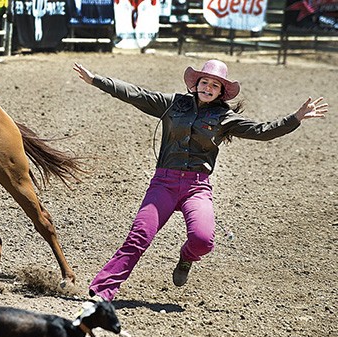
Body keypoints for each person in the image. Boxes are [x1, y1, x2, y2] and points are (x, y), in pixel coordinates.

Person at [73, 59, 328, 302]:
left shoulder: (225, 119)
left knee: (203, 241)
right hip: (164, 182)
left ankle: (186, 257)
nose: (208, 88)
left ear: (221, 92)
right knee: (139, 236)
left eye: (215, 85)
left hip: (197, 187)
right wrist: (97, 80)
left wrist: (295, 118)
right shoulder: (173, 104)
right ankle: (103, 291)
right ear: (196, 84)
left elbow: (262, 131)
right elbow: (136, 94)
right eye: (205, 82)